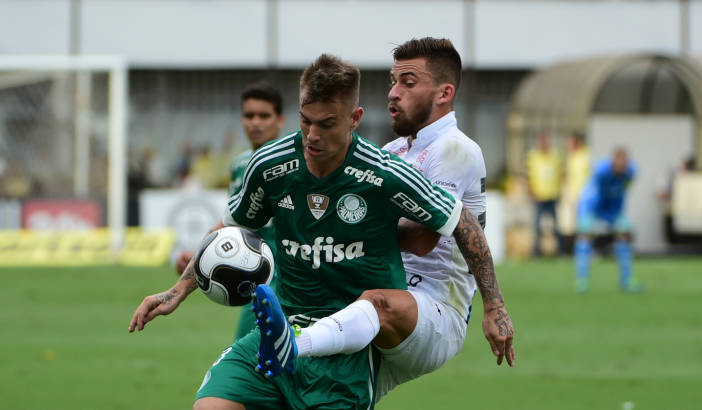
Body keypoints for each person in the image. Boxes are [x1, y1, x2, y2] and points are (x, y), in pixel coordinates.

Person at [129, 53, 513, 410]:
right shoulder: (270, 164)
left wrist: (494, 306)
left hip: (344, 354)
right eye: (305, 121)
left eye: (326, 124)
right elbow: (230, 229)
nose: (312, 135)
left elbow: (463, 222)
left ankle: (295, 347)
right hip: (278, 329)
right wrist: (177, 290)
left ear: (354, 118)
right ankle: (286, 344)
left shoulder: (382, 174)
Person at [175, 82, 287, 341]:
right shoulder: (239, 164)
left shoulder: (291, 161)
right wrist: (202, 253)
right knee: (254, 353)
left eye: (264, 115)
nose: (255, 122)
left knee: (253, 354)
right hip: (253, 270)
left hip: (286, 271)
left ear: (279, 119)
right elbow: (235, 223)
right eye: (249, 116)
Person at [574, 147, 642, 293]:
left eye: (624, 164)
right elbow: (597, 192)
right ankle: (582, 281)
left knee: (624, 234)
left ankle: (627, 280)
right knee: (585, 236)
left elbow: (623, 190)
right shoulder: (601, 172)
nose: (621, 167)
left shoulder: (631, 172)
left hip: (613, 208)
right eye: (619, 164)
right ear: (613, 162)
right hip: (594, 205)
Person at [526, 132, 563, 256]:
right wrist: (531, 192)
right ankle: (536, 252)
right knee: (537, 227)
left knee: (556, 226)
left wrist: (559, 190)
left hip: (552, 195)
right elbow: (528, 176)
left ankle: (559, 251)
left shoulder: (555, 155)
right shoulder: (532, 156)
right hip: (539, 196)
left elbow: (560, 174)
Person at [559, 132, 590, 246]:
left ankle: (586, 248)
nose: (567, 145)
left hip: (585, 196)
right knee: (571, 225)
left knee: (585, 224)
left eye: (569, 142)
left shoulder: (586, 154)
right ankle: (574, 249)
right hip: (572, 196)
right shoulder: (569, 157)